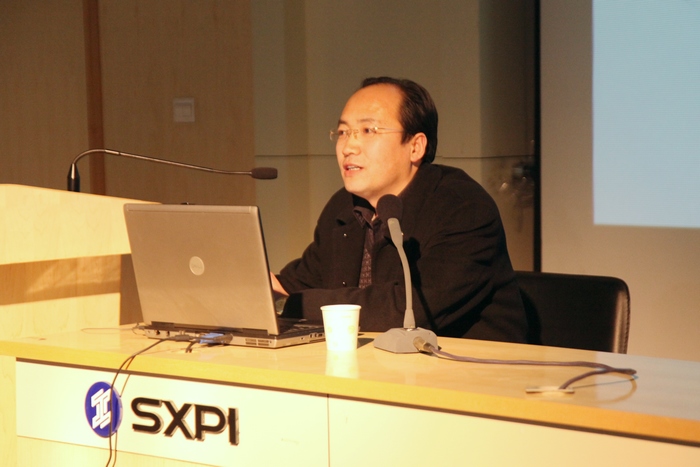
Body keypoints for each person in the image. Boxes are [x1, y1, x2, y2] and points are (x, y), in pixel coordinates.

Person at [270, 76, 527, 343]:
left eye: (368, 131)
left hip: (469, 363)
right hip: (374, 363)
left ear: (415, 146)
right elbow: (302, 282)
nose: (348, 147)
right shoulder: (344, 207)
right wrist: (263, 291)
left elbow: (406, 309)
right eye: (343, 132)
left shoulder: (463, 207)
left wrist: (289, 305)